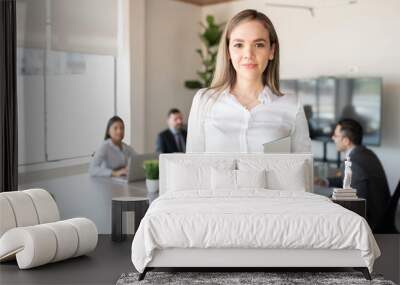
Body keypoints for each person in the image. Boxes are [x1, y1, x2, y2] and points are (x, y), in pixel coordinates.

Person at [186, 9, 311, 153]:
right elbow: (193, 166)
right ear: (228, 51)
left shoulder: (291, 105)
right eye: (239, 45)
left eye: (259, 45)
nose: (248, 54)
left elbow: (303, 167)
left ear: (272, 51)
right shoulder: (204, 100)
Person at [328, 118, 391, 232]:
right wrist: (326, 182)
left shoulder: (355, 163)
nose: (332, 138)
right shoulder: (365, 153)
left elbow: (354, 203)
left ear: (346, 141)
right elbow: (347, 180)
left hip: (371, 225)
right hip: (382, 217)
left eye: (336, 135)